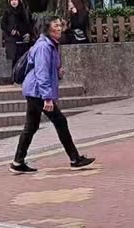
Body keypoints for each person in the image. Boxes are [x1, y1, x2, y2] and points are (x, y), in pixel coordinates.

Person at [10, 16, 95, 174]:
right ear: (48, 28)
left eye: (60, 25)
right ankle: (74, 158)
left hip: (35, 91)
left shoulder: (51, 45)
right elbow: (41, 73)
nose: (59, 28)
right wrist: (47, 98)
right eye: (56, 25)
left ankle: (17, 162)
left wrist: (57, 72)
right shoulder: (44, 47)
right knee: (60, 121)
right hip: (37, 92)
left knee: (31, 126)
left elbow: (46, 69)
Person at [0, 0, 35, 66]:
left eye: (15, 0)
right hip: (12, 40)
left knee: (24, 59)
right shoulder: (7, 12)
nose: (13, 2)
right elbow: (3, 24)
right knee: (15, 60)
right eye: (12, 0)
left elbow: (29, 25)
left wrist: (28, 34)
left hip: (23, 39)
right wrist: (10, 30)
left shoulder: (24, 12)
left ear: (19, 1)